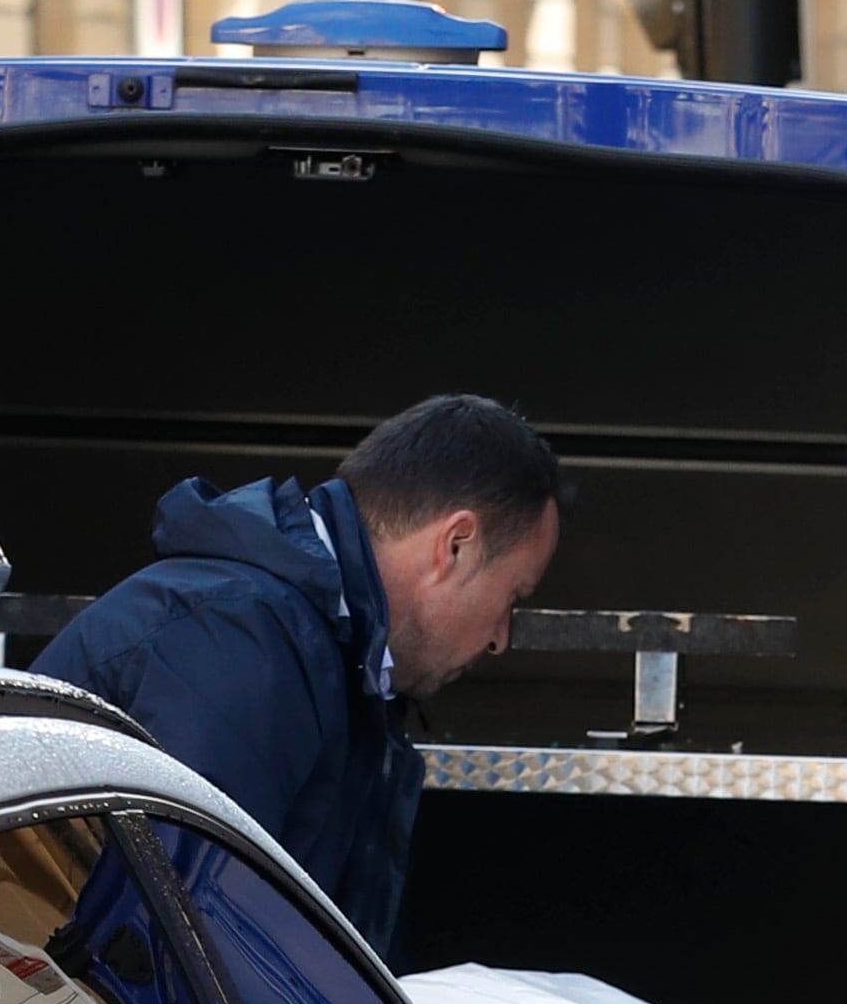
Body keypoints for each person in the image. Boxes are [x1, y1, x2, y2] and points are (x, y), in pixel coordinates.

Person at [35, 393, 564, 955]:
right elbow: (175, 958)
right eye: (513, 596)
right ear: (455, 545)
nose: (500, 637)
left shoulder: (330, 650)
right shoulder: (239, 637)